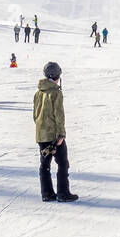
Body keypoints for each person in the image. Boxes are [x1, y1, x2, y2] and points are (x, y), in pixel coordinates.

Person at [34, 62, 76, 202]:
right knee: (63, 163)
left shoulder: (38, 93)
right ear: (57, 76)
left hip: (41, 134)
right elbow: (59, 115)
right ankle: (63, 193)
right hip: (54, 135)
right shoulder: (56, 93)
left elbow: (35, 114)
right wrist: (61, 134)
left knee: (45, 164)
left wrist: (41, 128)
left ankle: (47, 193)